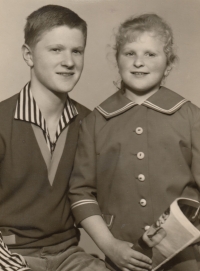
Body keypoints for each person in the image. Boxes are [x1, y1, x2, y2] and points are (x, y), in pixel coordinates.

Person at [69, 13, 200, 271]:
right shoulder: (96, 121)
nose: (139, 62)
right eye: (130, 53)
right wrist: (109, 246)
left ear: (169, 63)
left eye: (151, 54)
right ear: (117, 58)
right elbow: (81, 192)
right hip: (123, 256)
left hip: (186, 257)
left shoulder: (191, 117)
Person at [0, 4, 109, 271]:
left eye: (77, 51)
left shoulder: (90, 122)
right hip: (10, 255)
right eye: (56, 49)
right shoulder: (2, 120)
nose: (69, 62)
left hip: (69, 254)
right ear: (28, 55)